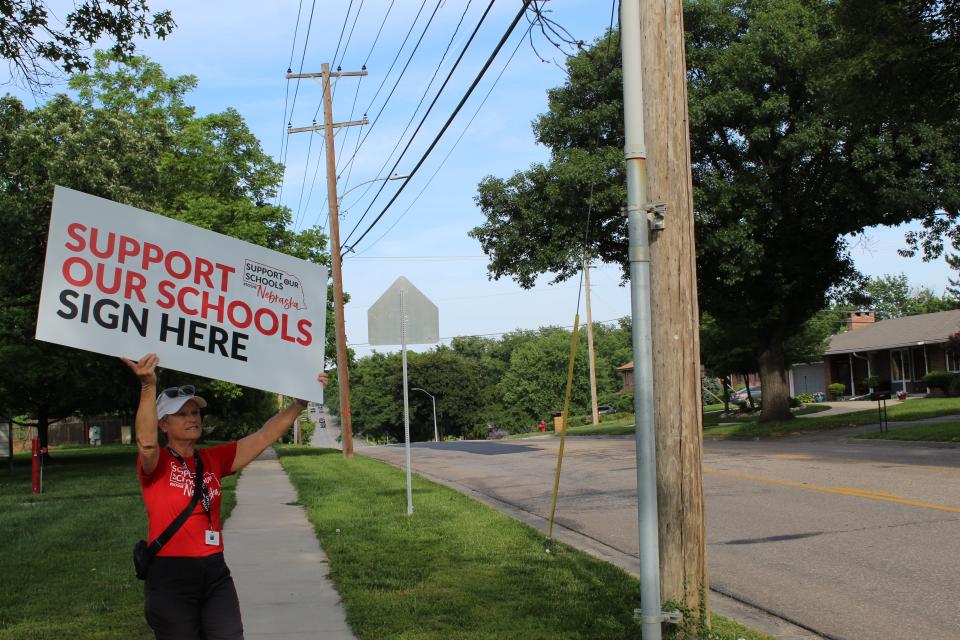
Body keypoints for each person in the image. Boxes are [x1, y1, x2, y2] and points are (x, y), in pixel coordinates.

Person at [122, 352, 326, 640]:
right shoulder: (157, 464)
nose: (192, 418)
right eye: (182, 414)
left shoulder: (212, 459)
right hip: (171, 573)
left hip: (214, 571)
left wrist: (299, 404)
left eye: (195, 413)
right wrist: (147, 386)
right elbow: (145, 444)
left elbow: (264, 436)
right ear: (163, 425)